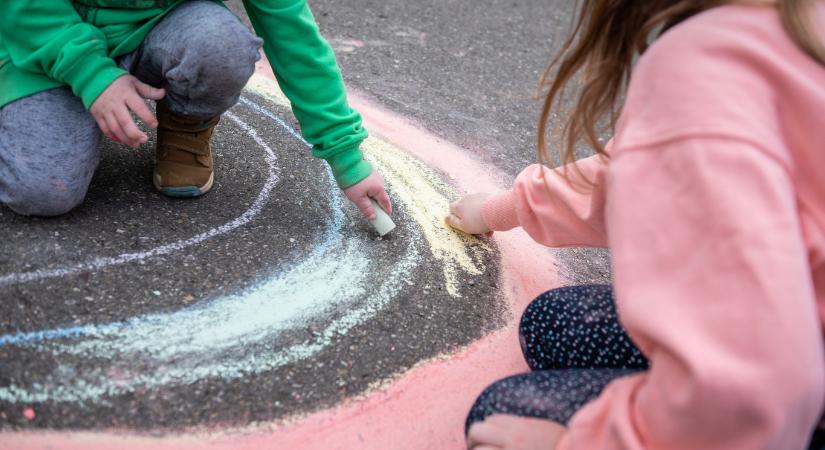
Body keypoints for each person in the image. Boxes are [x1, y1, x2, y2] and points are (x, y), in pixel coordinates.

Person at [446, 0, 825, 448]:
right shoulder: (799, 19)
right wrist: (504, 208)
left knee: (501, 415)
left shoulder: (706, 70)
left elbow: (760, 388)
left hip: (788, 402)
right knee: (552, 323)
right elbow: (658, 175)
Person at [0, 0, 391, 220]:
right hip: (43, 40)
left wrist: (346, 156)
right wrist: (90, 73)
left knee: (219, 46)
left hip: (156, 28)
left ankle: (186, 124)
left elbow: (291, 33)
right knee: (43, 191)